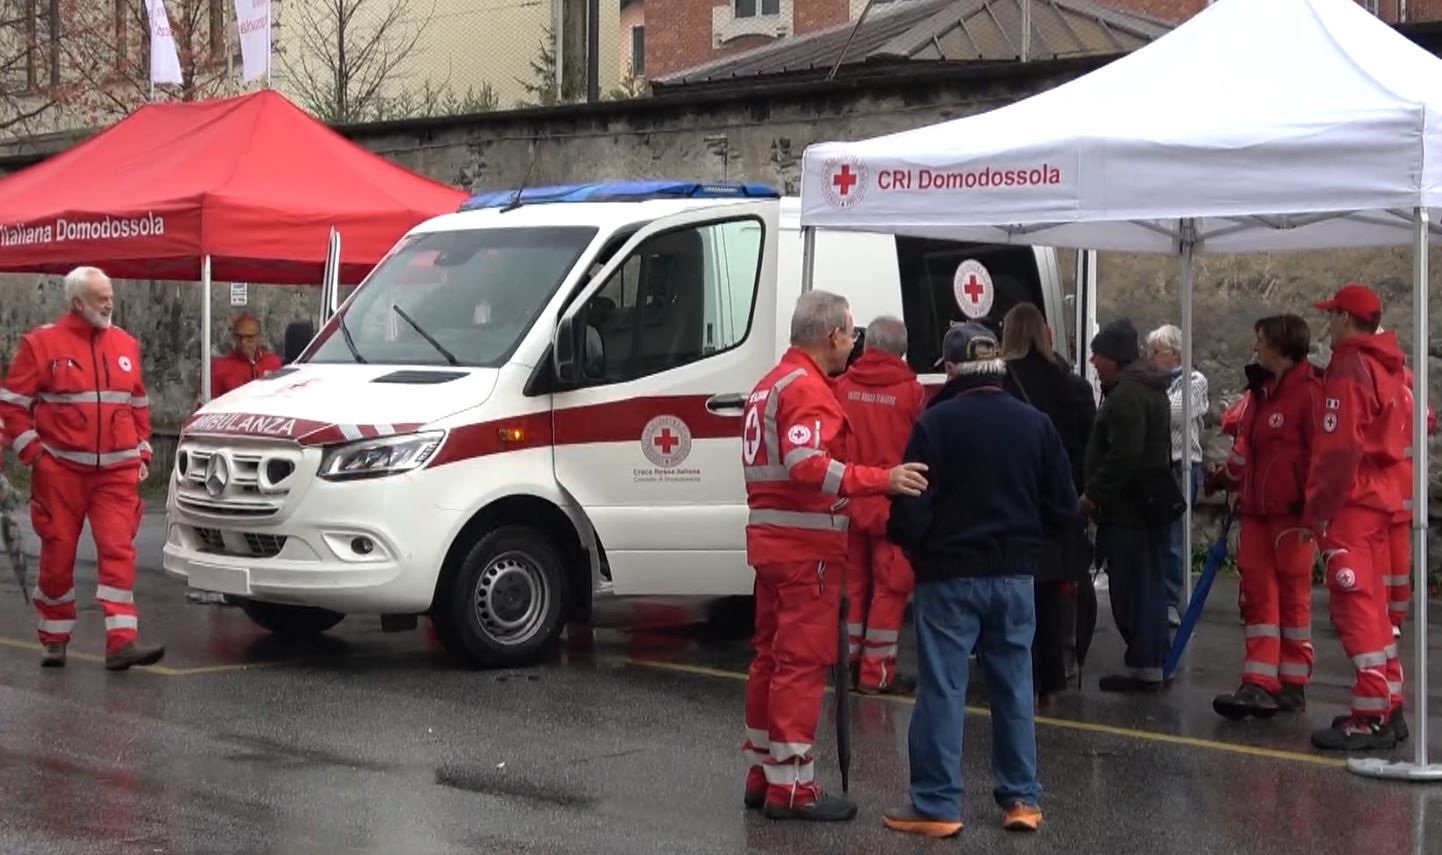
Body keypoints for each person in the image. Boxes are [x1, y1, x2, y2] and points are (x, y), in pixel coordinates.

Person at [882, 322, 1078, 838]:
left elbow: (912, 503)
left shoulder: (936, 423)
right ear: (998, 367)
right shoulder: (1035, 424)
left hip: (949, 574)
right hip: (1015, 575)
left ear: (951, 369)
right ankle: (1021, 800)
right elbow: (1063, 508)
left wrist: (914, 545)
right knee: (1014, 685)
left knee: (943, 687)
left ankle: (936, 804)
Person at [740, 290, 928, 822]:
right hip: (806, 554)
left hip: (773, 546)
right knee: (800, 666)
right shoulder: (806, 389)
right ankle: (793, 787)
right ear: (833, 336)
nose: (854, 342)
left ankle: (762, 772)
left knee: (770, 661)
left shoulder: (770, 384)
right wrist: (880, 479)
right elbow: (805, 464)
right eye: (850, 332)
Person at [0, 266, 165, 671]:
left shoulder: (126, 344)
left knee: (117, 551)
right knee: (58, 556)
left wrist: (142, 451)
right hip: (60, 473)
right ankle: (54, 638)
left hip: (116, 475)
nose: (110, 302)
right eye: (100, 297)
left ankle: (121, 641)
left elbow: (138, 404)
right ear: (77, 302)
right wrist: (35, 456)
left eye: (110, 294)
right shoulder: (42, 345)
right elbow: (13, 407)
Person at [1304, 283, 1407, 751]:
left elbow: (1338, 447)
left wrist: (1320, 509)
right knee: (1376, 608)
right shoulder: (1389, 366)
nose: (1329, 325)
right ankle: (1389, 701)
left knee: (1355, 604)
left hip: (1351, 502)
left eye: (1332, 316)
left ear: (1346, 318)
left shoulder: (1349, 366)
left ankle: (1371, 714)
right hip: (1381, 499)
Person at [1205, 315, 1321, 719]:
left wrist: (1315, 514)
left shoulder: (1310, 393)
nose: (1255, 348)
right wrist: (1223, 481)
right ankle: (1258, 683)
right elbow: (1244, 452)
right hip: (1255, 513)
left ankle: (1291, 684)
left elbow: (1324, 458)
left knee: (1293, 599)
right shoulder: (1259, 393)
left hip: (1292, 517)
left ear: (1281, 345)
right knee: (1258, 598)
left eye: (1260, 341)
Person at [999, 304, 1096, 703]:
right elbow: (1088, 445)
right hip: (1059, 499)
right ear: (1045, 333)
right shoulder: (1071, 385)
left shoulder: (1001, 382)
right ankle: (1053, 678)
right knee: (1053, 590)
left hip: (1011, 498)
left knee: (1009, 588)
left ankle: (1011, 673)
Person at [833, 315, 927, 696]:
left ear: (866, 346)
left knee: (852, 587)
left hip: (852, 498)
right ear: (902, 350)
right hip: (895, 503)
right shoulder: (913, 393)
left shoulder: (841, 386)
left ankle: (846, 666)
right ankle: (876, 674)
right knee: (891, 590)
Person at [1081, 319, 1175, 692]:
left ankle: (1145, 663)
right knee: (1146, 582)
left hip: (1128, 509)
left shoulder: (1127, 395)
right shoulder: (1143, 388)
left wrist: (1093, 495)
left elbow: (1124, 454)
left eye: (1098, 355)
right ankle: (1152, 657)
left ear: (1115, 358)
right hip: (1144, 504)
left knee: (1132, 587)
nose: (1093, 362)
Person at [1146, 324, 1210, 628]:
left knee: (1174, 537)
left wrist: (1143, 403)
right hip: (1157, 466)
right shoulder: (1152, 381)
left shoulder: (1194, 381)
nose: (1149, 358)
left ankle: (1171, 599)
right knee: (1155, 537)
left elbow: (1173, 413)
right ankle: (1156, 595)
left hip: (1182, 465)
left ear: (1175, 354)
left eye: (1155, 352)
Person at [211, 313, 283, 399]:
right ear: (233, 337)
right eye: (239, 337)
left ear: (259, 338)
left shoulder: (275, 363)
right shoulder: (219, 368)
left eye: (249, 337)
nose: (243, 342)